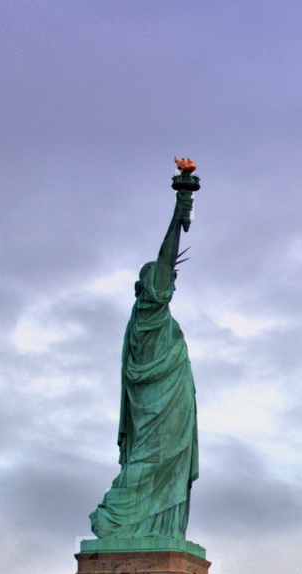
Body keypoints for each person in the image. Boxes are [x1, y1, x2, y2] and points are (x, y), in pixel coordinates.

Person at [89, 174, 200, 541]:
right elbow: (166, 257)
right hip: (156, 410)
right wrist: (180, 206)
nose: (169, 283)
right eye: (162, 279)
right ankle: (119, 520)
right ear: (149, 287)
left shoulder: (155, 320)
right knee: (147, 464)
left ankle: (157, 531)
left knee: (168, 468)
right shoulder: (147, 315)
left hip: (173, 404)